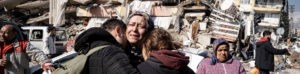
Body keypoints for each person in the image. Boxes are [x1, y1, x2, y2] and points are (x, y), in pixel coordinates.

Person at [74, 19, 140, 74]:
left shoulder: (87, 49)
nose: (127, 42)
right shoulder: (112, 52)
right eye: (125, 34)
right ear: (118, 30)